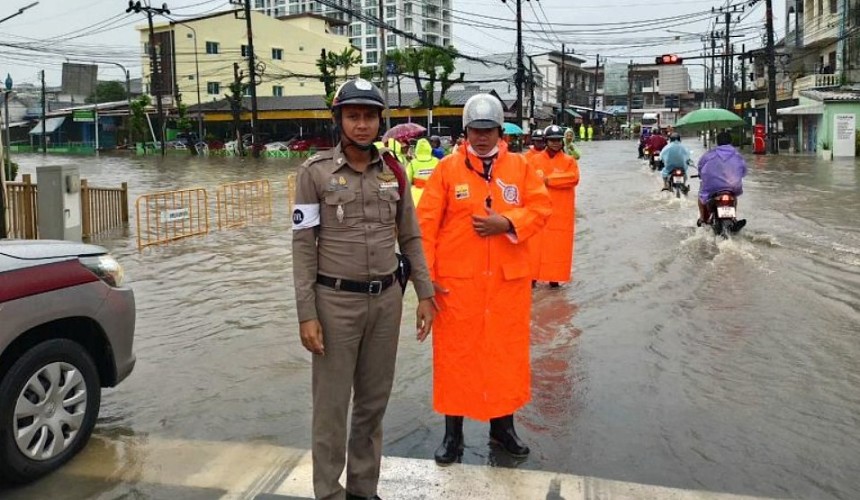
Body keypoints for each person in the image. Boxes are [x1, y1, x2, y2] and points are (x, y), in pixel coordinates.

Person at [291, 78, 437, 500]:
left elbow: (410, 237)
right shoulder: (314, 173)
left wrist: (424, 294)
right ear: (339, 120)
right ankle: (329, 493)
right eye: (353, 116)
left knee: (373, 405)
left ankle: (363, 489)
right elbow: (303, 247)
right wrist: (307, 314)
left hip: (387, 301)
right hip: (335, 304)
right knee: (332, 409)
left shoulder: (393, 170)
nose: (361, 124)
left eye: (369, 116)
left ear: (379, 121)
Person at [416, 93, 552, 466]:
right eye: (475, 130)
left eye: (488, 130)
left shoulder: (521, 167)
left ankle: (502, 428)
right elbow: (425, 226)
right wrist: (425, 284)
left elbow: (541, 208)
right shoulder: (447, 170)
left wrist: (507, 223)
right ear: (466, 132)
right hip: (456, 285)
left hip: (507, 285)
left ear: (499, 131)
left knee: (504, 357)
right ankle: (453, 434)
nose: (482, 137)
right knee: (455, 358)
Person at [527, 124, 580, 289]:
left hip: (561, 214)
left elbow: (573, 178)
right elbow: (527, 182)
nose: (555, 143)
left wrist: (549, 180)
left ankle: (554, 279)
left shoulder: (569, 161)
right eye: (552, 140)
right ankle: (532, 278)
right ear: (546, 141)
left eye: (558, 140)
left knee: (558, 248)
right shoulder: (533, 160)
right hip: (538, 212)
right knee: (534, 247)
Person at [696, 131, 748, 230]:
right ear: (730, 141)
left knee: (701, 195)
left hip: (712, 188)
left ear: (717, 142)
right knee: (734, 196)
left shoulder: (709, 154)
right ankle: (734, 218)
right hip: (732, 187)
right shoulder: (737, 155)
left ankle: (702, 218)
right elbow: (744, 171)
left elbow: (700, 167)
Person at [406, 137, 440, 207]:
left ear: (417, 149)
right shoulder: (436, 161)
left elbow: (407, 181)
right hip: (434, 194)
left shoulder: (412, 163)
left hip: (417, 196)